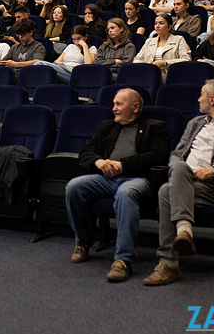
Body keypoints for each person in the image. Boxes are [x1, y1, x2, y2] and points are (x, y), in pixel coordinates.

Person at [143, 79, 214, 286]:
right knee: (176, 171)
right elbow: (177, 154)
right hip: (185, 180)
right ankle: (182, 233)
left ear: (212, 100)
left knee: (165, 191)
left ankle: (170, 262)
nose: (198, 99)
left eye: (202, 95)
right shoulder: (195, 123)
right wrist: (183, 169)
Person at [66, 88, 169, 281]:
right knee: (74, 187)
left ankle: (123, 260)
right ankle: (83, 242)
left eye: (119, 104)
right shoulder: (107, 126)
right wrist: (98, 162)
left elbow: (157, 156)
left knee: (125, 193)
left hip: (138, 179)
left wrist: (124, 165)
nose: (114, 108)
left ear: (136, 107)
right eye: (114, 104)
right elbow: (86, 151)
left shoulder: (155, 126)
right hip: (106, 178)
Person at [134, 13, 191, 81]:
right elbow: (136, 60)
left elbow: (186, 59)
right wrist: (147, 64)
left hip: (170, 75)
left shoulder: (179, 39)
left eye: (161, 23)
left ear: (169, 27)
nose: (157, 26)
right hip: (149, 73)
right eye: (155, 23)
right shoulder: (149, 41)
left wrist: (164, 63)